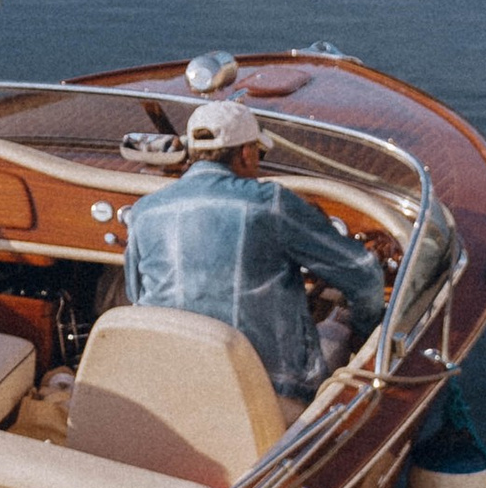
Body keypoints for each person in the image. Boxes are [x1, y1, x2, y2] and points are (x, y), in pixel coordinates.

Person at [120, 98, 389, 401]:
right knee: (338, 324)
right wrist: (364, 327)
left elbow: (136, 295)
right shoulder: (270, 203)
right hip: (267, 393)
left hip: (174, 385)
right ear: (246, 154)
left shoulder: (144, 212)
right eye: (260, 153)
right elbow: (366, 275)